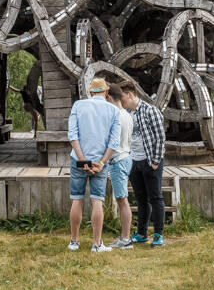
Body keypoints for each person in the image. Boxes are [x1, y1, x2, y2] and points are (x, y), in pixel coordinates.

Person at [66, 77, 121, 253]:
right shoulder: (114, 110)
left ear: (90, 92)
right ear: (106, 92)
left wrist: (82, 160)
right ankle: (96, 244)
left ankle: (74, 242)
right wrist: (102, 163)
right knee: (97, 200)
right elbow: (114, 142)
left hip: (78, 160)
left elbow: (72, 135)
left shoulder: (78, 106)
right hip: (99, 163)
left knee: (77, 199)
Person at [119, 82, 167, 247]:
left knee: (155, 197)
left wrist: (155, 161)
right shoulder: (126, 113)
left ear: (130, 95)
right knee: (140, 199)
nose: (121, 101)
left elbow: (160, 138)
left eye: (123, 97)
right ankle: (141, 233)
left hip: (150, 161)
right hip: (133, 161)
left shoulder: (150, 110)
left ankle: (158, 235)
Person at [104, 82, 135, 249]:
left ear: (109, 97)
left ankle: (125, 238)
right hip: (126, 156)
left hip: (118, 160)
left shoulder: (115, 116)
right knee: (122, 199)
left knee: (122, 200)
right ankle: (125, 237)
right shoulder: (127, 115)